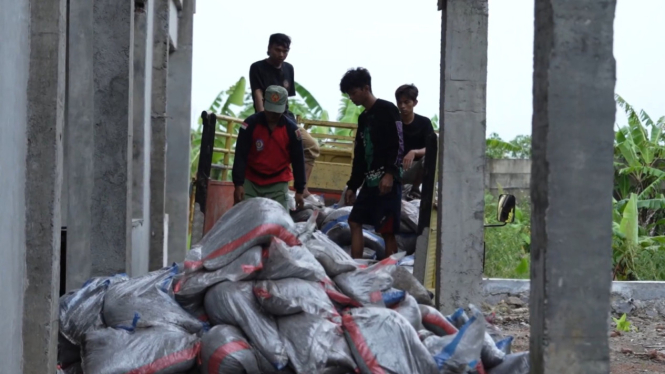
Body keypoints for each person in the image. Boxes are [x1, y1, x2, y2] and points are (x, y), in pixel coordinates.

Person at [341, 68, 404, 259]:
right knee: (354, 221)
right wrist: (352, 185)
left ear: (366, 88)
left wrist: (390, 174)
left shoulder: (388, 110)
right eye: (349, 94)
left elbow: (398, 144)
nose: (351, 98)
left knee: (387, 230)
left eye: (353, 93)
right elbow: (360, 154)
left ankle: (389, 274)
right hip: (369, 182)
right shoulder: (363, 118)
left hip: (387, 181)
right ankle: (356, 269)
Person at [249, 33, 319, 198]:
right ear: (269, 49)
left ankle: (301, 189)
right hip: (267, 118)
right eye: (277, 50)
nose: (281, 54)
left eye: (285, 51)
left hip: (287, 119)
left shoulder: (289, 69)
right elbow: (258, 95)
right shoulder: (257, 68)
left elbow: (286, 100)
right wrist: (263, 123)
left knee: (312, 147)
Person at [232, 85, 306, 211]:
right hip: (251, 181)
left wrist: (300, 190)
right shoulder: (250, 125)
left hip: (278, 183)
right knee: (244, 219)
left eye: (276, 111)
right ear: (264, 103)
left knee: (279, 222)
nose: (272, 115)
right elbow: (240, 155)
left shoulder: (292, 130)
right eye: (270, 110)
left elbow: (298, 160)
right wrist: (238, 184)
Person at [395, 84, 435, 198]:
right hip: (395, 169)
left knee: (429, 158)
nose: (403, 106)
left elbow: (431, 148)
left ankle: (415, 189)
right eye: (399, 103)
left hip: (415, 170)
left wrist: (414, 152)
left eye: (406, 102)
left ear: (414, 103)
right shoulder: (393, 122)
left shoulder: (424, 122)